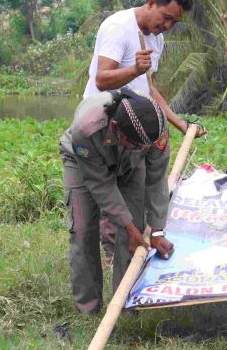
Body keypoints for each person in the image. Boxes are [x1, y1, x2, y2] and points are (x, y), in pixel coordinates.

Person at [82, 0, 206, 260]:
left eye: (174, 22)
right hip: (105, 123)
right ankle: (112, 254)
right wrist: (134, 68)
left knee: (138, 187)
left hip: (137, 126)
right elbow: (102, 80)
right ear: (151, 3)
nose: (168, 26)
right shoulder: (118, 28)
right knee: (110, 189)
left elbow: (148, 88)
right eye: (166, 18)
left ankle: (135, 247)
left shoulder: (155, 39)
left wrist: (177, 123)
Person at [60, 88, 176, 314]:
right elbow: (101, 186)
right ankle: (89, 309)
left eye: (146, 146)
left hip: (132, 165)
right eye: (137, 144)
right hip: (83, 163)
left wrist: (157, 230)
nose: (144, 149)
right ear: (115, 129)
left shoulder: (156, 129)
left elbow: (157, 177)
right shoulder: (88, 129)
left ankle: (124, 305)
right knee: (83, 231)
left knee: (134, 234)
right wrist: (128, 225)